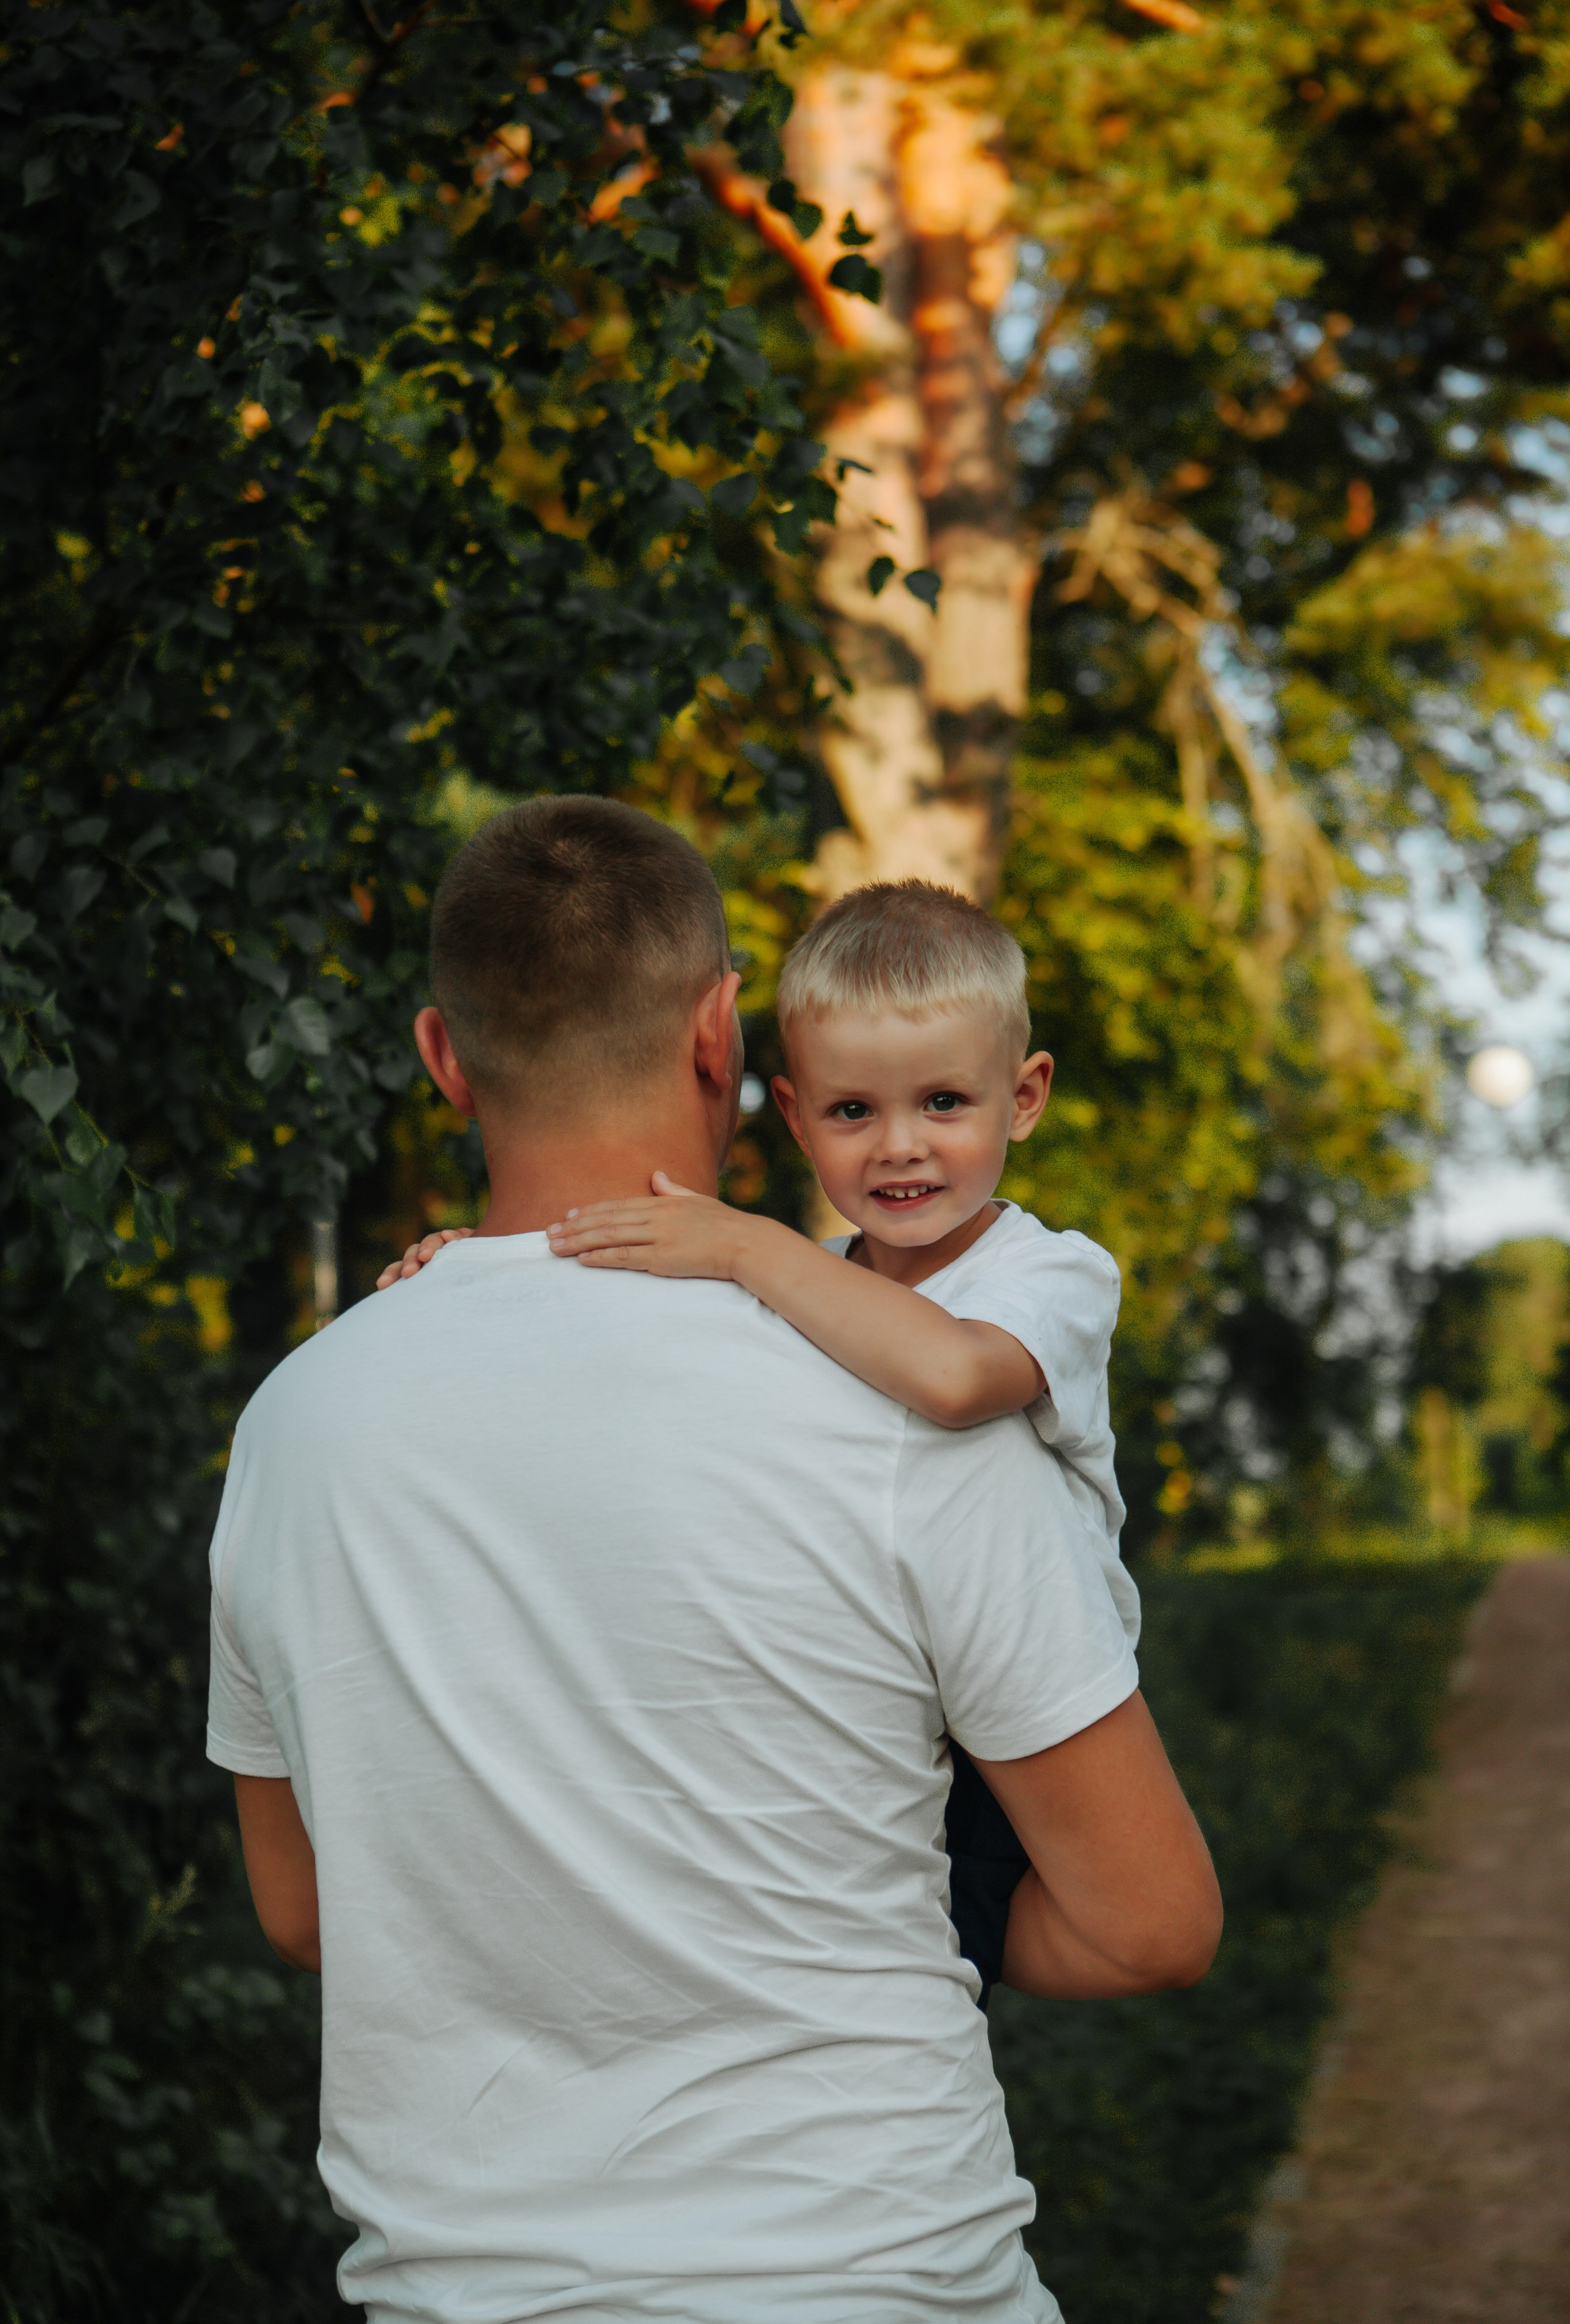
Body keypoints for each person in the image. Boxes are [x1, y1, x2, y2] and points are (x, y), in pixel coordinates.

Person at [209, 795, 1222, 2324]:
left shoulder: (290, 1427)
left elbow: (303, 1913)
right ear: (725, 1041)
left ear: (441, 1058)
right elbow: (1149, 1925)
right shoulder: (896, 1401)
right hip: (870, 2277)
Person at [383, 879, 1138, 2001]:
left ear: (1024, 1098)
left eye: (943, 1103)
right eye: (851, 1113)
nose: (899, 1149)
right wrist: (473, 1269)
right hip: (889, 1705)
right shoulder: (815, 1282)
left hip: (1032, 1723)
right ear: (789, 1113)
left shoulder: (1053, 1273)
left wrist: (745, 1246)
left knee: (925, 1948)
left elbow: (954, 1374)